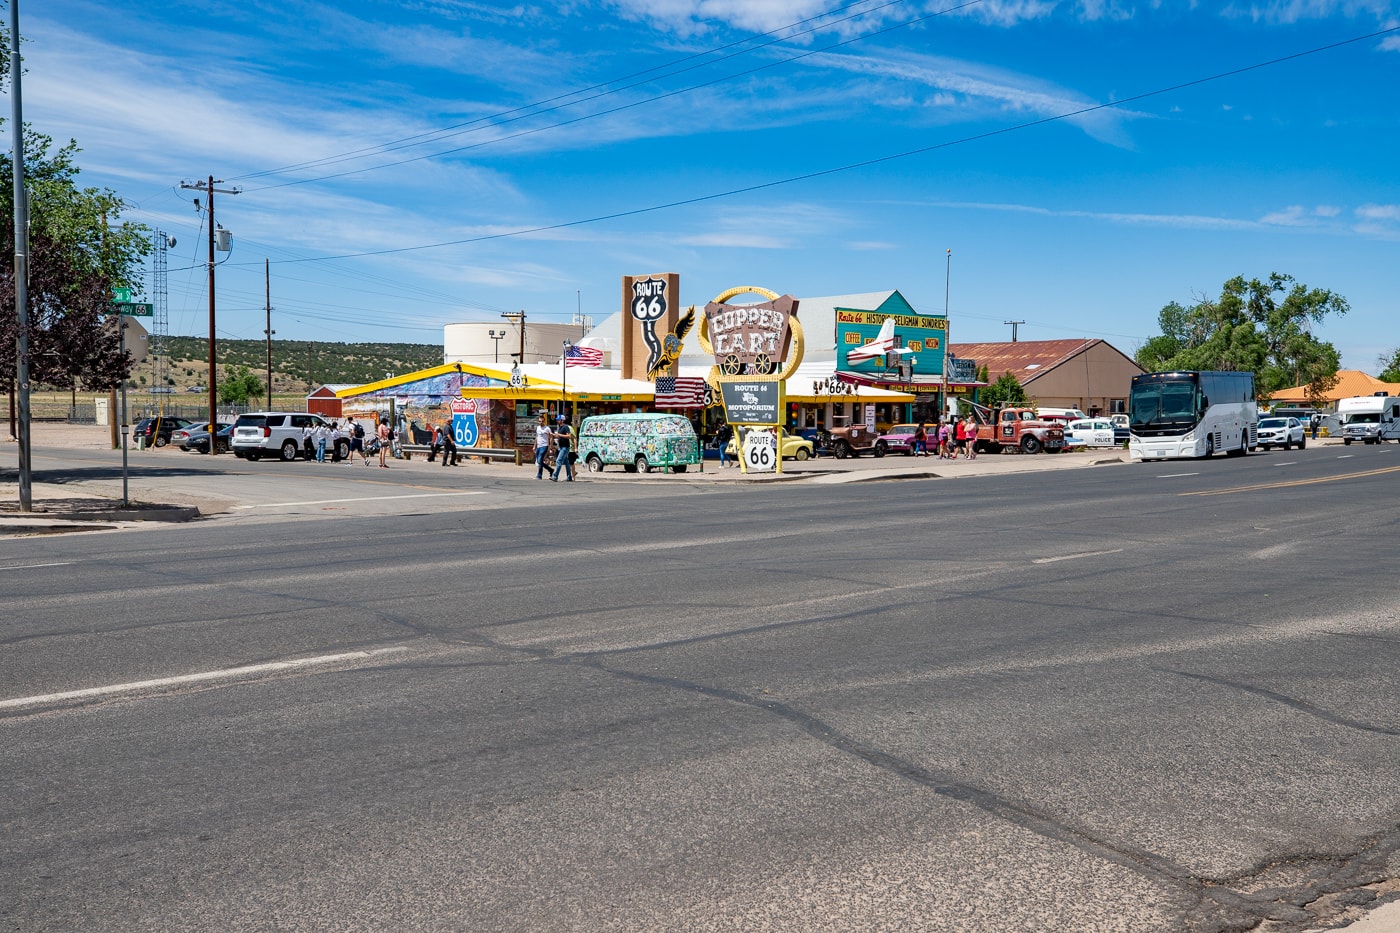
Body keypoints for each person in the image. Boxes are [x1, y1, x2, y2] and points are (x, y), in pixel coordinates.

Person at [551, 414, 574, 482]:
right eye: (557, 419)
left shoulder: (565, 427)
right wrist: (554, 435)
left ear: (562, 420)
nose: (557, 421)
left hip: (565, 447)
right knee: (566, 463)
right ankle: (569, 477)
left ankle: (555, 476)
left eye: (558, 419)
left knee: (558, 461)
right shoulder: (560, 428)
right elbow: (560, 436)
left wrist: (559, 435)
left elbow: (569, 436)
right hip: (561, 447)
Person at [533, 412, 552, 479]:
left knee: (540, 459)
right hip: (538, 446)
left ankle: (539, 475)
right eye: (539, 421)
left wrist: (550, 447)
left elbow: (551, 437)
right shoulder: (538, 428)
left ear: (544, 421)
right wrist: (534, 445)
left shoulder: (547, 428)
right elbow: (537, 437)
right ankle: (550, 470)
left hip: (544, 446)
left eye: (542, 421)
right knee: (539, 461)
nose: (541, 422)